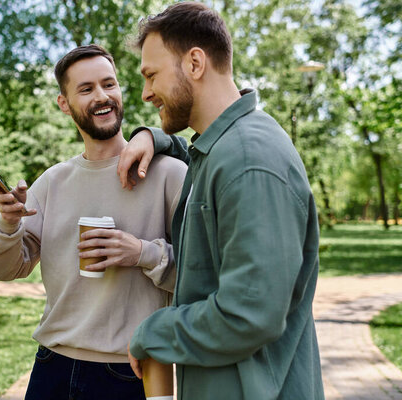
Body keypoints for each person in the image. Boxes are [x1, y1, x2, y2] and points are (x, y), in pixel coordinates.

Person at [118, 3, 325, 400]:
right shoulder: (222, 148)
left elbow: (248, 315)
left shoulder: (249, 162)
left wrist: (154, 331)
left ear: (195, 62)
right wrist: (154, 138)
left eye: (151, 75)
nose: (145, 93)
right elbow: (195, 153)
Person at [0, 44, 187, 400]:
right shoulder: (52, 182)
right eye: (86, 89)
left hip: (131, 370)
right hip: (52, 365)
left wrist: (142, 252)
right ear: (64, 104)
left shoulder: (168, 174)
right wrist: (8, 224)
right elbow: (6, 269)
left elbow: (200, 274)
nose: (102, 96)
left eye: (109, 84)